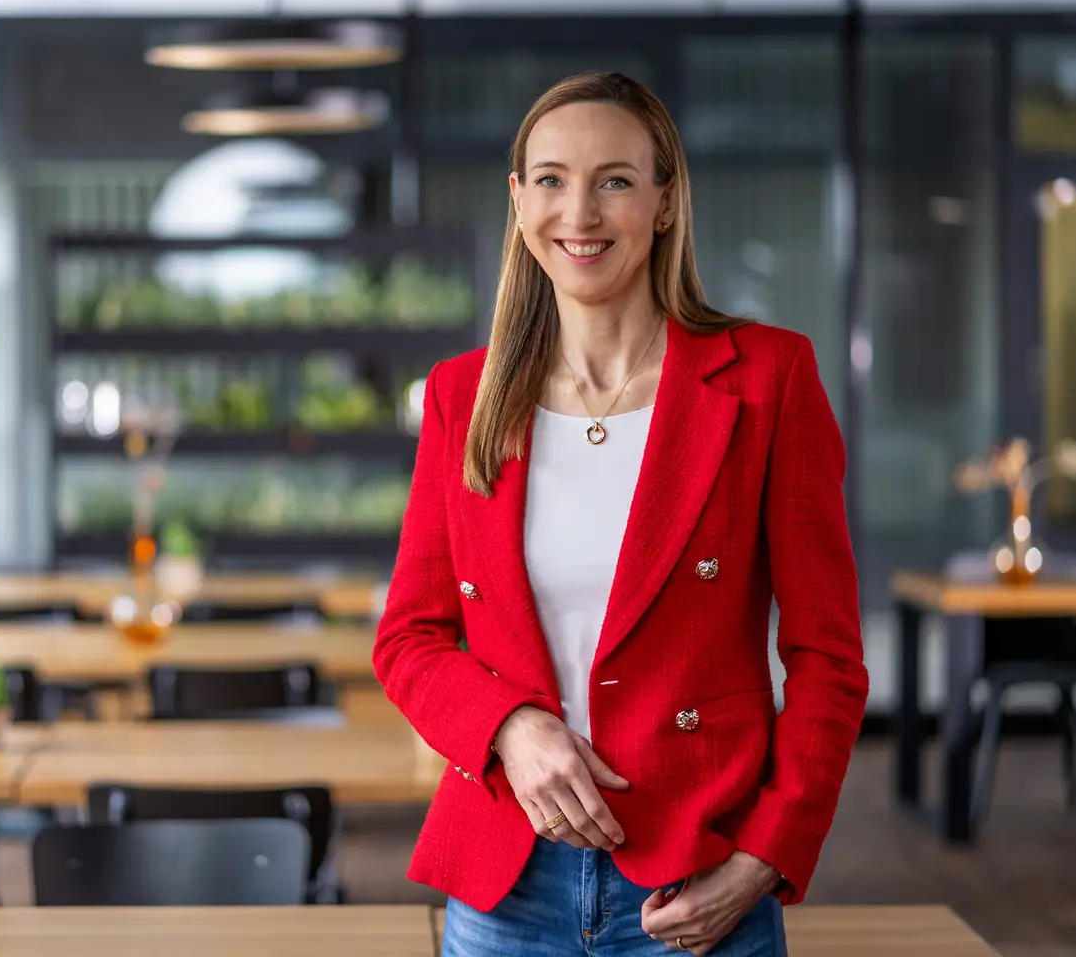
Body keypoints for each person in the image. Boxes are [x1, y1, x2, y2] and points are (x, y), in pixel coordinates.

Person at [372, 72, 869, 957]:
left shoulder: (766, 380)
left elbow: (827, 656)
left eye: (614, 180)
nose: (580, 212)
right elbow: (409, 637)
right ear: (518, 202)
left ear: (665, 201)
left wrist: (765, 856)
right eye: (553, 180)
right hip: (504, 889)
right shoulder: (463, 396)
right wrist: (508, 727)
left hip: (699, 878)